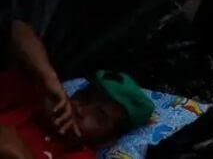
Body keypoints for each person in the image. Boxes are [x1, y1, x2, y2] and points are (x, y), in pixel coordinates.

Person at [0, 19, 154, 159]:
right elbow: (19, 28)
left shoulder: (80, 156)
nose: (81, 109)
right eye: (85, 96)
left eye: (98, 116)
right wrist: (49, 77)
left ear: (105, 140)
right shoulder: (34, 97)